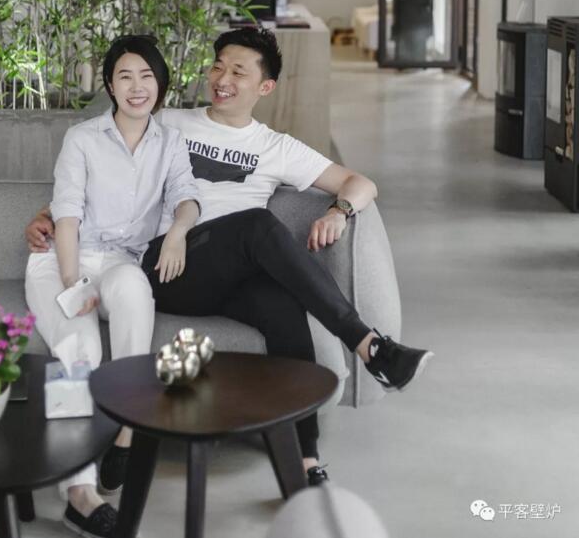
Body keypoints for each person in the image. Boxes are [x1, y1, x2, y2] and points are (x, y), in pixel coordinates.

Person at [27, 27, 433, 495]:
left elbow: (361, 184)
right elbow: (103, 170)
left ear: (265, 86)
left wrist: (339, 212)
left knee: (282, 306)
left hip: (230, 276)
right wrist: (47, 215)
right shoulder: (170, 121)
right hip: (168, 267)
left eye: (238, 72)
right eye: (218, 66)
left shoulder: (277, 147)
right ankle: (369, 346)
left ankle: (304, 457)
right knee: (255, 226)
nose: (222, 79)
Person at [25, 34, 200, 538]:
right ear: (109, 85)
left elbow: (186, 195)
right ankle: (79, 494)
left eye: (147, 76)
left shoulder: (170, 142)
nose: (137, 86)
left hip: (123, 261)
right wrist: (73, 283)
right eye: (125, 76)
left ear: (161, 85)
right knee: (79, 349)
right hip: (62, 260)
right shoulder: (82, 138)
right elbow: (66, 214)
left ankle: (126, 432)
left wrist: (178, 233)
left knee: (134, 290)